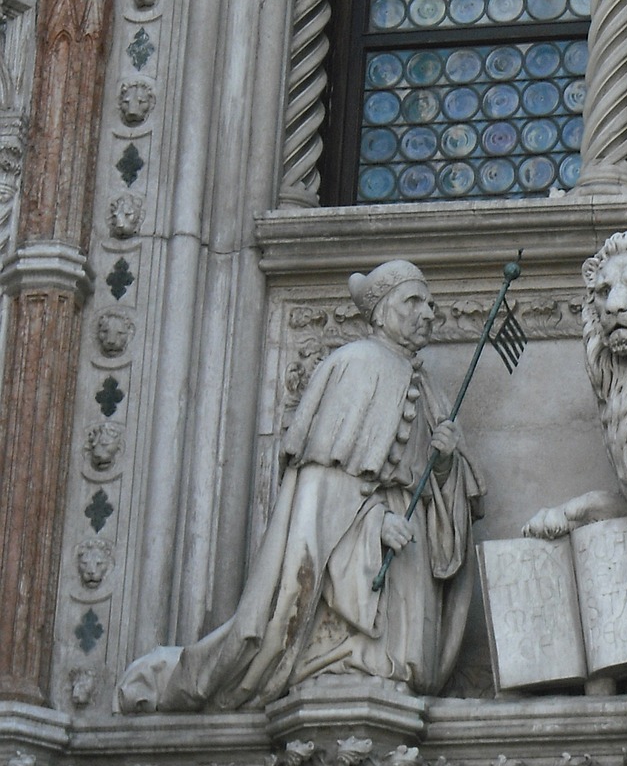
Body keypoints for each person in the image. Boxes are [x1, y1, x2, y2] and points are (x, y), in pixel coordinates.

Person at [119, 260, 484, 711]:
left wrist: (446, 464)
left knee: (403, 663)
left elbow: (446, 493)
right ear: (382, 311)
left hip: (410, 549)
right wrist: (375, 525)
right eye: (414, 301)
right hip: (367, 544)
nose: (428, 312)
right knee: (359, 661)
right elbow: (321, 493)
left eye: (430, 303)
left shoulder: (430, 387)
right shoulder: (353, 367)